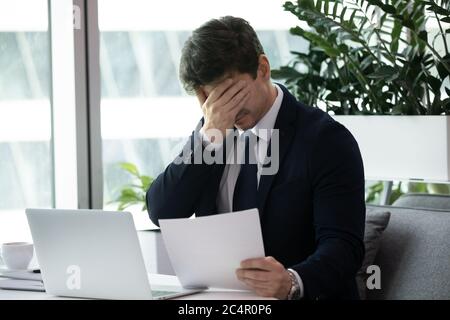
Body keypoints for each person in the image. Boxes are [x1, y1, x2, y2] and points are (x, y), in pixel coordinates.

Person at [146, 16, 366, 300]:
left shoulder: (326, 140)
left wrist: (292, 281)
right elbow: (162, 211)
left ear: (262, 68)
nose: (226, 112)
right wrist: (208, 135)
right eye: (212, 101)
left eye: (231, 95)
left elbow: (344, 246)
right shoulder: (216, 131)